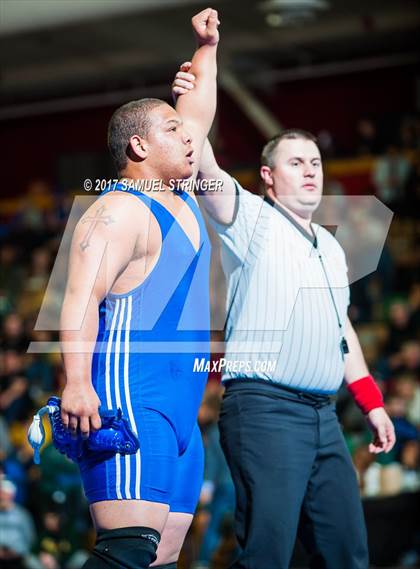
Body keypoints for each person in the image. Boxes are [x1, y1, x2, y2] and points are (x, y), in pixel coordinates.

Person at [173, 66, 396, 568]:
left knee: (347, 553)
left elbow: (341, 331)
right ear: (269, 177)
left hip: (324, 416)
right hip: (265, 410)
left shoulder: (332, 250)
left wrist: (372, 402)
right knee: (267, 555)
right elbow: (200, 158)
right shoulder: (250, 219)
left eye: (315, 161)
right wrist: (204, 65)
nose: (311, 169)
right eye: (296, 162)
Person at [59, 9, 219, 569]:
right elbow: (78, 299)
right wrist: (77, 382)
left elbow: (198, 112)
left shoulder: (183, 196)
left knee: (162, 558)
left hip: (182, 415)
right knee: (127, 551)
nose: (189, 137)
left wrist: (206, 50)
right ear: (139, 148)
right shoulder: (118, 211)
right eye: (171, 131)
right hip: (131, 402)